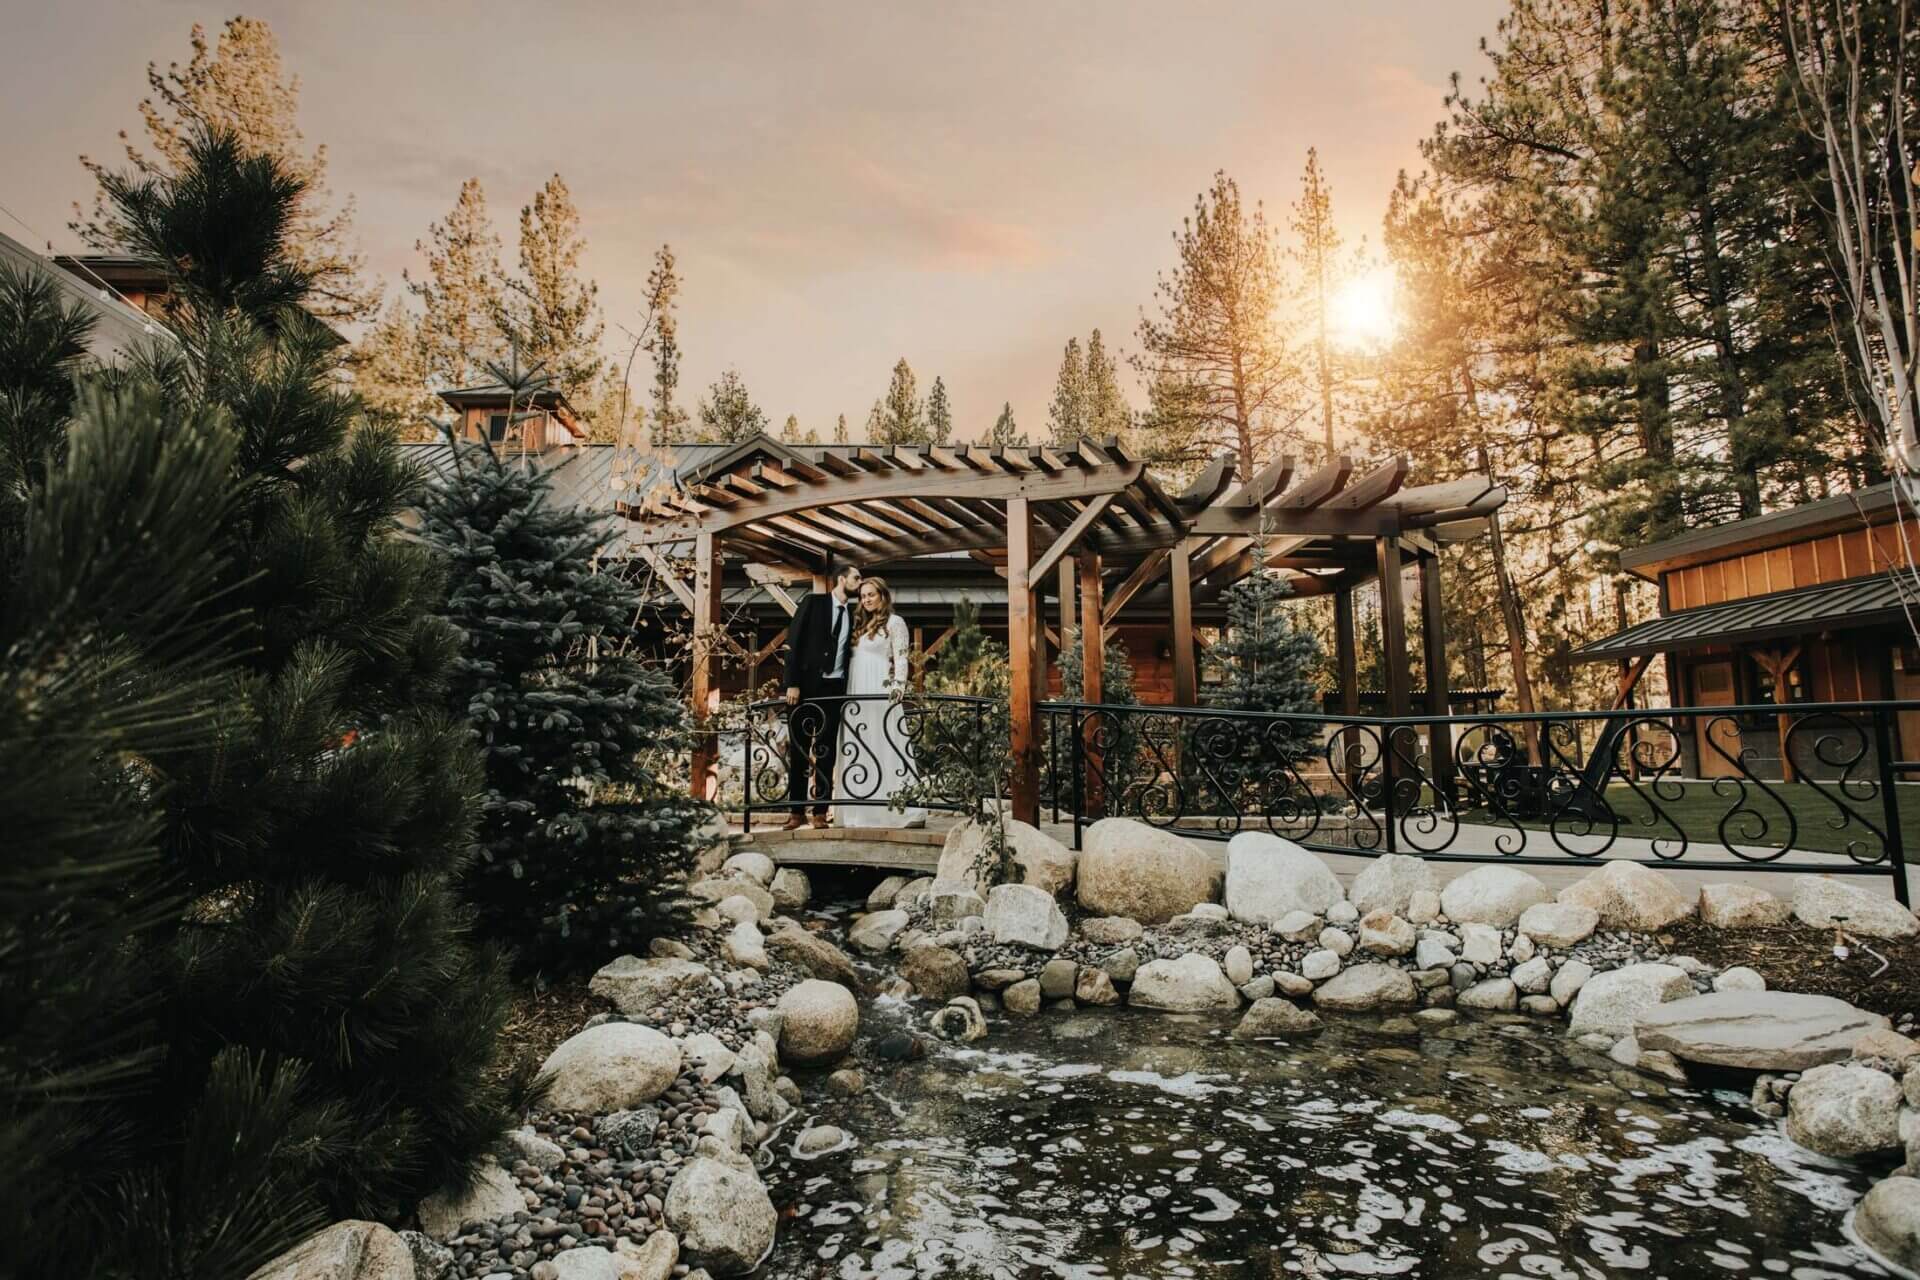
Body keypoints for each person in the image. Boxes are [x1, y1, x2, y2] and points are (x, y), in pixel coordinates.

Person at [837, 576, 927, 829]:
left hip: (878, 685)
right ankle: (860, 811)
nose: (865, 600)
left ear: (882, 596)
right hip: (856, 690)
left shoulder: (895, 622)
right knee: (859, 743)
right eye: (863, 596)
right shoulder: (859, 623)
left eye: (870, 595)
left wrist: (899, 685)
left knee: (882, 739)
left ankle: (895, 807)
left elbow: (901, 657)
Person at [782, 560, 861, 830]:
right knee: (800, 749)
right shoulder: (813, 603)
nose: (859, 584)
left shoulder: (854, 614)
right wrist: (792, 683)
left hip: (834, 690)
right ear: (842, 580)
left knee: (826, 751)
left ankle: (820, 811)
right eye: (856, 578)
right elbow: (793, 642)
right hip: (804, 690)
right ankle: (796, 812)